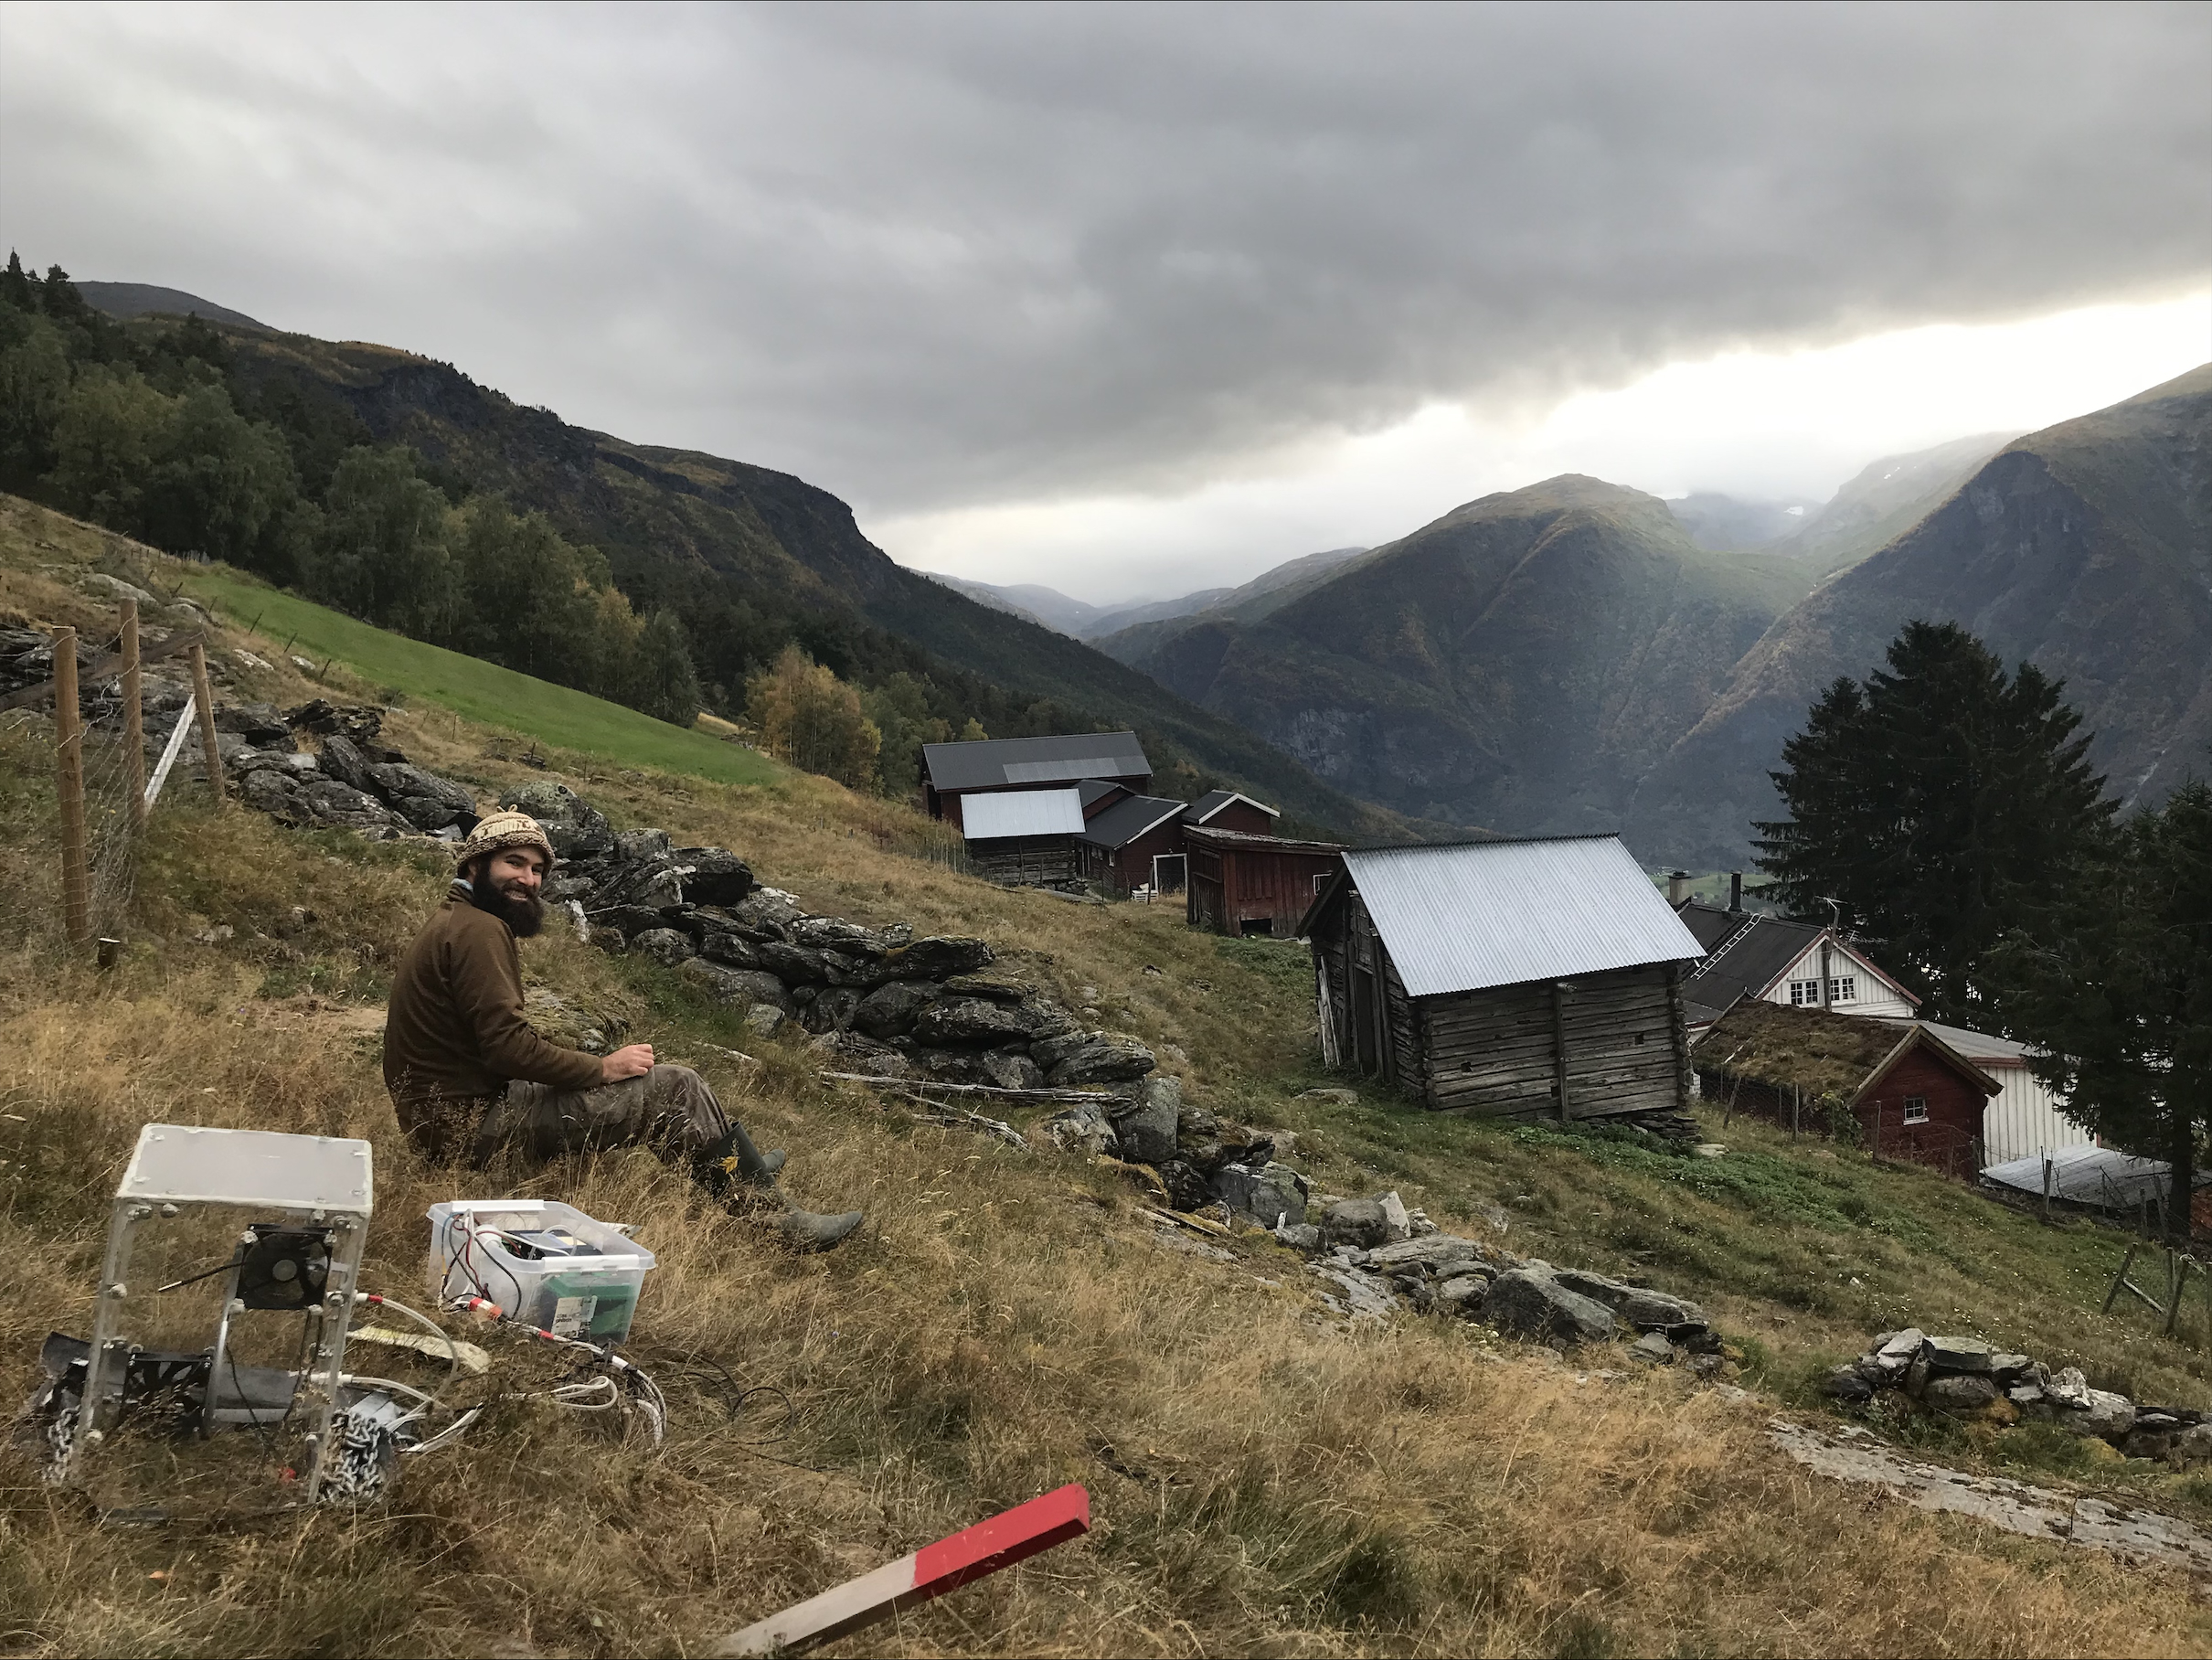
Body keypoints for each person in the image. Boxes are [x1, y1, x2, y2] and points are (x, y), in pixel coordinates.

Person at [382, 809, 863, 1250]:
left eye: (537, 871)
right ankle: (770, 1218)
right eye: (514, 863)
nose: (528, 880)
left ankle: (734, 1167)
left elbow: (493, 1046)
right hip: (467, 1128)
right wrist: (602, 1068)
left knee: (647, 1080)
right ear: (475, 866)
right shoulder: (480, 931)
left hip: (444, 1118)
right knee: (675, 1086)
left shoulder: (455, 920)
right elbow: (508, 1048)